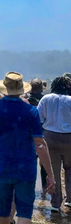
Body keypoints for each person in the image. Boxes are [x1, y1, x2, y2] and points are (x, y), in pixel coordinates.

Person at [0, 72, 55, 224]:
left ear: (4, 88)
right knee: (25, 212)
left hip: (2, 168)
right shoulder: (31, 111)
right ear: (22, 89)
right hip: (26, 169)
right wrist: (50, 174)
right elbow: (40, 144)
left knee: (3, 211)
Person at [37, 76, 71, 212]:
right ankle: (70, 200)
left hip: (49, 137)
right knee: (70, 170)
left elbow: (38, 118)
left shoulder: (46, 99)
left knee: (53, 171)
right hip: (69, 138)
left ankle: (56, 203)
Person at [24, 78, 48, 192]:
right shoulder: (45, 99)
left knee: (31, 159)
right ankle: (44, 185)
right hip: (43, 132)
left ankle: (31, 184)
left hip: (28, 133)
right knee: (43, 159)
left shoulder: (26, 99)